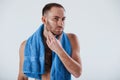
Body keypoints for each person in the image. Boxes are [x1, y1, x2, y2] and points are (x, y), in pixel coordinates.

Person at [18, 3, 82, 80]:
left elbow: (77, 73)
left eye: (63, 19)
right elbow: (22, 77)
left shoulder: (72, 39)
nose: (61, 23)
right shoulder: (27, 45)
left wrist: (59, 50)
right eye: (56, 18)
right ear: (44, 20)